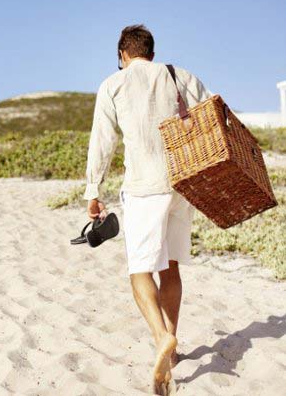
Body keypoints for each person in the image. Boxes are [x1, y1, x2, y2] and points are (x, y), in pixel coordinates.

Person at [84, 25, 211, 395]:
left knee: (140, 271)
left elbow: (102, 142)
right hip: (181, 184)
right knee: (170, 266)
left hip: (143, 188)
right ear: (151, 54)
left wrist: (94, 189)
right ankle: (172, 342)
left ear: (123, 54)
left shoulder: (113, 84)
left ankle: (161, 339)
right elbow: (214, 113)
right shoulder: (178, 76)